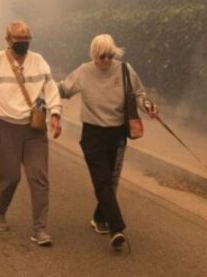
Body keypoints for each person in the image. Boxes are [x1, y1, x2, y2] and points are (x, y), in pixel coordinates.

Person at [59, 34, 158, 250]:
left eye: (109, 56)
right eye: (101, 57)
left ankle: (99, 217)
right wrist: (42, 92)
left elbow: (139, 94)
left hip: (117, 133)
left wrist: (148, 106)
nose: (105, 61)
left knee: (111, 182)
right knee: (102, 181)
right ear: (93, 55)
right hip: (93, 134)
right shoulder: (84, 71)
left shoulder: (124, 70)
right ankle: (116, 229)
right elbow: (64, 89)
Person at [0, 21, 63, 246]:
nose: (23, 45)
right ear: (8, 41)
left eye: (26, 41)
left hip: (33, 129)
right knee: (11, 176)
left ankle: (40, 229)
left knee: (39, 178)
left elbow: (50, 89)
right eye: (18, 41)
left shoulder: (38, 61)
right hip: (4, 126)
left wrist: (55, 114)